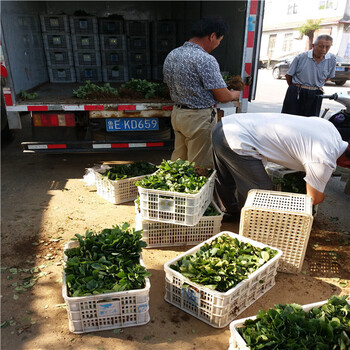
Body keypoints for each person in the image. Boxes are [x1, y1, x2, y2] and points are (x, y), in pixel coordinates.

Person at [211, 113, 350, 220]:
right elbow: (314, 198)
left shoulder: (331, 129)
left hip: (225, 125)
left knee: (225, 177)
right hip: (237, 140)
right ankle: (251, 227)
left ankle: (227, 212)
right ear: (346, 164)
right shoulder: (324, 159)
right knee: (261, 192)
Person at [163, 17, 241, 168]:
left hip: (178, 115)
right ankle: (199, 192)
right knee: (200, 165)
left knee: (178, 162)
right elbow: (222, 96)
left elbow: (169, 85)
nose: (218, 44)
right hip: (198, 119)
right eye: (219, 40)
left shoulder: (172, 54)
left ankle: (174, 191)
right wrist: (234, 94)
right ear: (212, 36)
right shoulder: (206, 59)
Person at [281, 34, 336, 117]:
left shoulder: (332, 59)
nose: (324, 50)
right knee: (290, 119)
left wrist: (316, 85)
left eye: (327, 47)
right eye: (321, 46)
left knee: (311, 121)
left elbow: (329, 76)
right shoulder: (301, 57)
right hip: (297, 91)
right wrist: (295, 88)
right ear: (313, 46)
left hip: (316, 93)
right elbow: (288, 75)